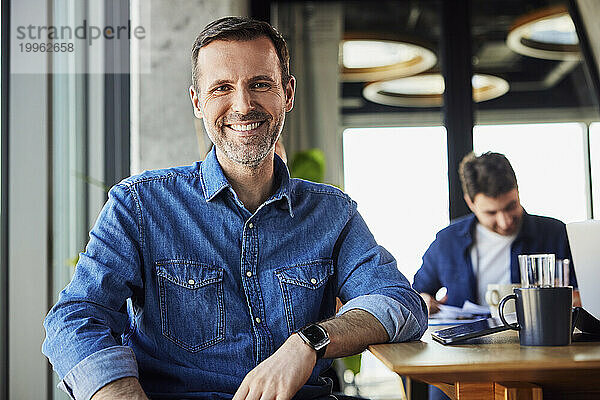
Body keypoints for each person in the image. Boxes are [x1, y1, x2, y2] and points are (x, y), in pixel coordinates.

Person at [42, 17, 427, 400]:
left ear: (287, 94)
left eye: (260, 84)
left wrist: (307, 342)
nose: (243, 105)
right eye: (221, 88)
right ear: (197, 102)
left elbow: (399, 302)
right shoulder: (140, 205)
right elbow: (75, 319)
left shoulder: (332, 214)